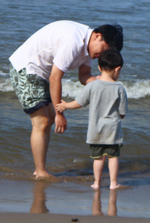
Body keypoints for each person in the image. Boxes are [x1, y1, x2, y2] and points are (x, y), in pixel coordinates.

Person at [9, 21, 123, 179]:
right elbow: (55, 77)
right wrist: (59, 113)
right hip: (26, 69)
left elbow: (84, 77)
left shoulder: (89, 48)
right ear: (98, 36)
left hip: (41, 74)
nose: (102, 56)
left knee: (46, 122)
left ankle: (40, 169)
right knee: (42, 121)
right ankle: (40, 172)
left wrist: (101, 81)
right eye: (104, 50)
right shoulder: (74, 41)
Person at [55, 49, 127, 190]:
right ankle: (113, 183)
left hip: (96, 129)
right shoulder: (120, 88)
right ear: (117, 69)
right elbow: (123, 113)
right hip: (113, 129)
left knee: (98, 158)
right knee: (113, 157)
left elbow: (79, 102)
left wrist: (65, 106)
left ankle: (97, 183)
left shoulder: (92, 85)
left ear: (99, 67)